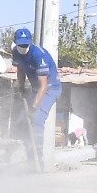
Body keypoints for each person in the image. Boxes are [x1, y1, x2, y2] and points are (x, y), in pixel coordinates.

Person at [10, 28, 61, 159]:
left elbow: (43, 86)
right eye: (20, 45)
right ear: (15, 43)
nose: (23, 47)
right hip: (36, 89)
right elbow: (20, 70)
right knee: (23, 120)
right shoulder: (16, 52)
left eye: (25, 45)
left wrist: (33, 107)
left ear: (30, 42)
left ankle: (38, 160)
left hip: (50, 89)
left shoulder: (39, 55)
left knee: (36, 119)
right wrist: (20, 87)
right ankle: (29, 157)